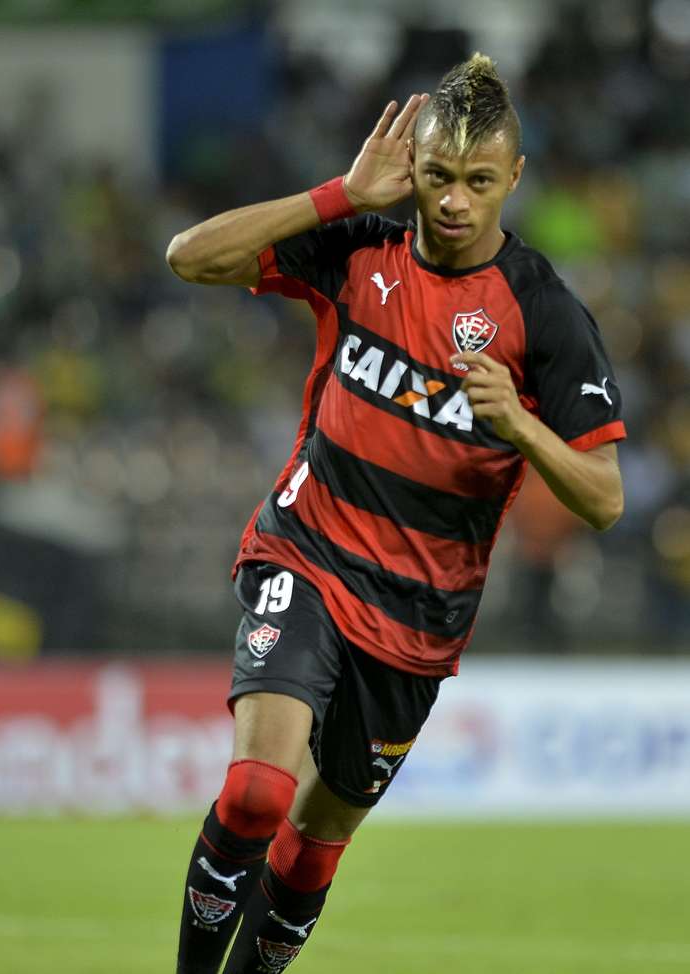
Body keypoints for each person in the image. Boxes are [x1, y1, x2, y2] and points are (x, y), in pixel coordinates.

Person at [166, 53, 625, 974]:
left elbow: (605, 497)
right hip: (309, 553)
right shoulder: (357, 247)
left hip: (417, 620)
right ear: (411, 164)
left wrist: (524, 428)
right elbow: (189, 257)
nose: (455, 201)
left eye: (480, 182)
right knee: (257, 791)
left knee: (313, 840)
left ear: (515, 179)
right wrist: (337, 194)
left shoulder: (544, 313)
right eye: (440, 176)